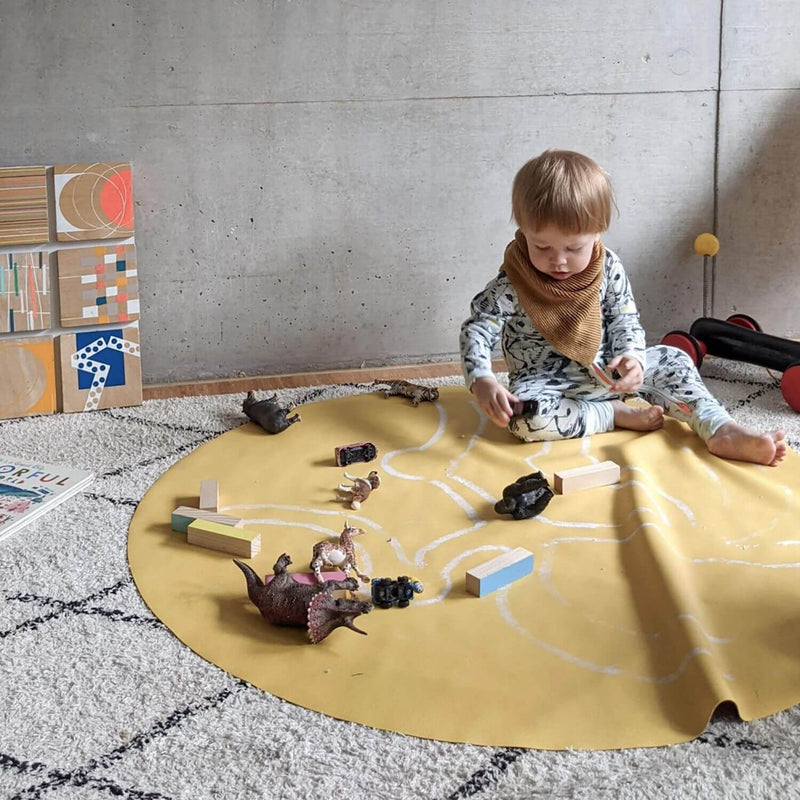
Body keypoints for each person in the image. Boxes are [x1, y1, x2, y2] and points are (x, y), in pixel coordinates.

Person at [459, 149, 786, 467]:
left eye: (574, 248)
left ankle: (719, 428)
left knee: (675, 359)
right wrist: (483, 379)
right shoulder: (514, 281)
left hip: (609, 373)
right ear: (522, 231)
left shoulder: (608, 267)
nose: (557, 260)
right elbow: (478, 326)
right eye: (541, 246)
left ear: (598, 232)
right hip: (547, 383)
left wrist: (633, 359)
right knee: (524, 419)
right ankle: (612, 413)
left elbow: (623, 318)